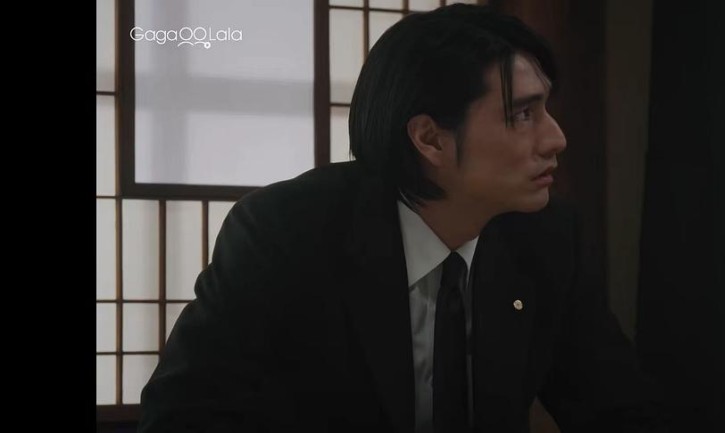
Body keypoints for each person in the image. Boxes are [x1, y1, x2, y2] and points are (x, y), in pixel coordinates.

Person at [137, 4, 659, 432]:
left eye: (545, 109)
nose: (556, 138)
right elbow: (183, 417)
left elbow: (618, 411)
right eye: (523, 114)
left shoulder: (547, 238)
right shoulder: (285, 234)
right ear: (430, 138)